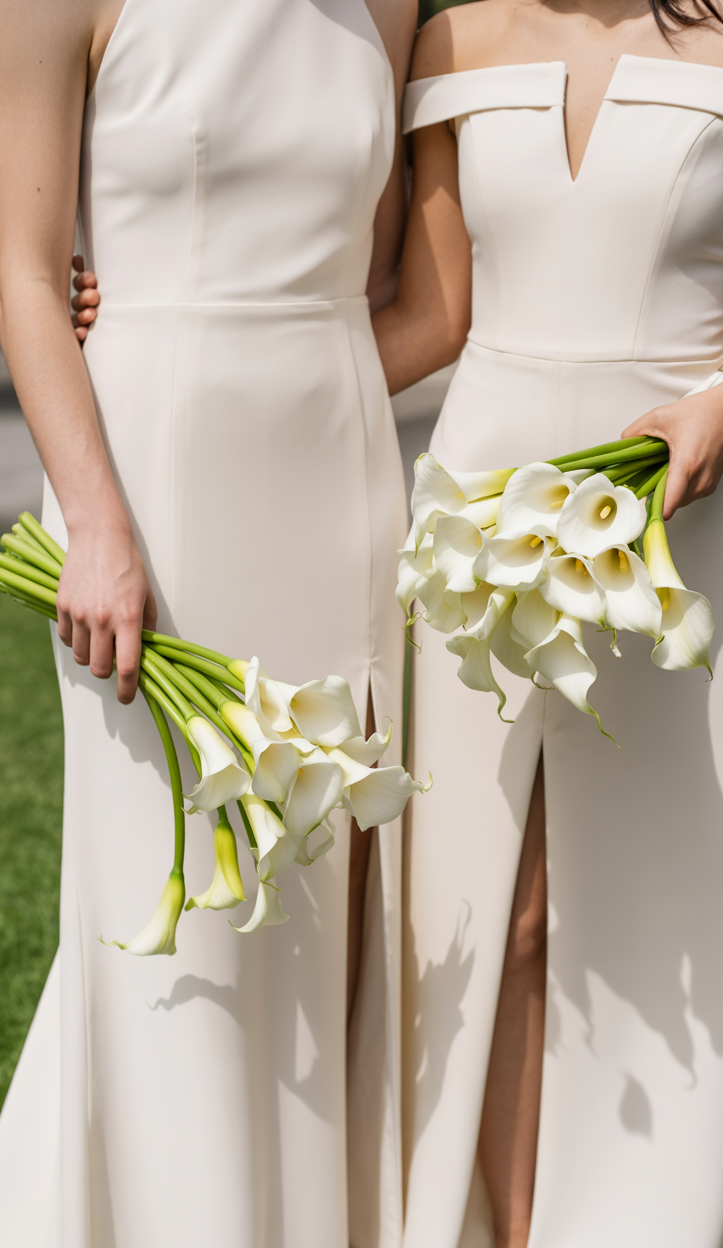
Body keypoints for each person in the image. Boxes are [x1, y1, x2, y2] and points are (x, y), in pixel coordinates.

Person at [367, 1, 723, 1245]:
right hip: (480, 530)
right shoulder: (453, 37)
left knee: (671, 906)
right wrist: (173, 339)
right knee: (486, 909)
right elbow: (435, 313)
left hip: (682, 531)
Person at [0, 0, 417, 1245]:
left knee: (312, 901)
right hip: (155, 483)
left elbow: (387, 285)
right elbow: (22, 268)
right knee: (166, 907)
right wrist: (96, 523)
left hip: (341, 486)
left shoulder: (384, 5)